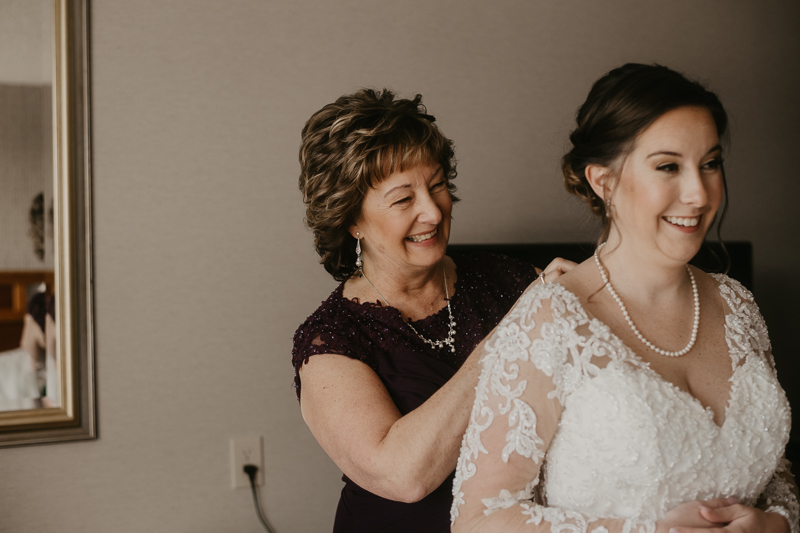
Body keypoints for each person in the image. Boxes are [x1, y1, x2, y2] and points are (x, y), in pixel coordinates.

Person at [450, 63, 799, 533]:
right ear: (603, 181)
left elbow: (772, 472)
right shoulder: (552, 319)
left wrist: (774, 523)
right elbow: (479, 519)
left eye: (710, 163)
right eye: (668, 167)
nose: (698, 193)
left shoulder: (737, 306)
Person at [292, 88, 573, 532]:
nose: (433, 211)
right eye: (404, 199)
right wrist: (513, 333)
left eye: (438, 184)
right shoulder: (331, 340)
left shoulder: (511, 281)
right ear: (351, 220)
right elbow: (403, 476)